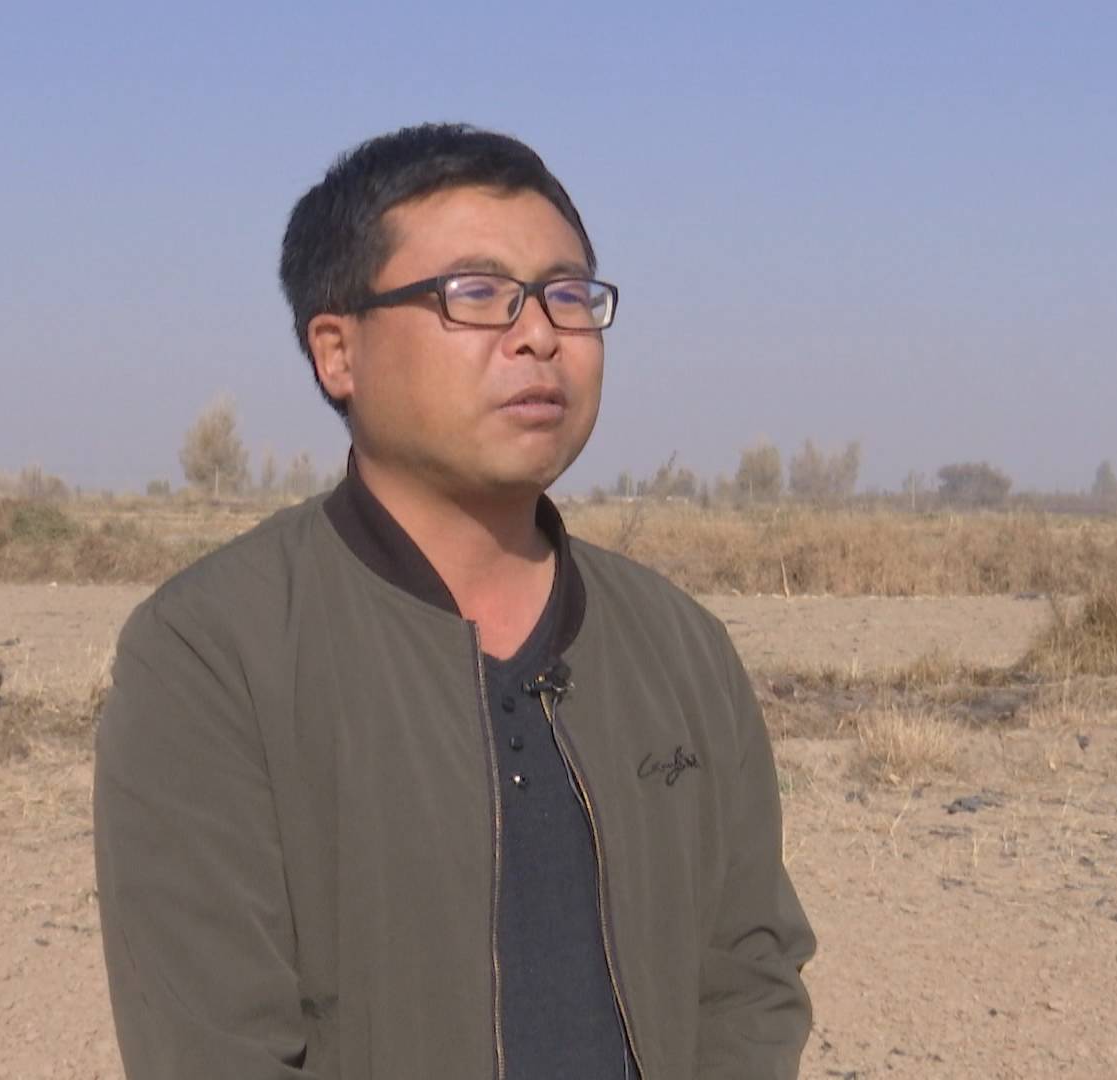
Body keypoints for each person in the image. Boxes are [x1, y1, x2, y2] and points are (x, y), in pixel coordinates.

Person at [93, 122, 814, 1080]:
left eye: (567, 294)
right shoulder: (214, 652)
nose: (539, 333)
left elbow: (749, 974)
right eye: (476, 294)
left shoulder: (679, 646)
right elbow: (215, 1045)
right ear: (337, 352)